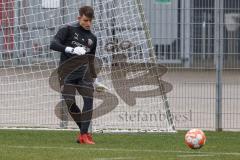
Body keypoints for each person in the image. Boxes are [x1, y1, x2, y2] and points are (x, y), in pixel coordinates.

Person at [50, 6, 107, 145]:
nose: (88, 24)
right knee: (70, 103)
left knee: (89, 100)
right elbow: (53, 44)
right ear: (79, 18)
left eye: (90, 21)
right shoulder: (68, 29)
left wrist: (96, 80)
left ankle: (84, 135)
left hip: (84, 74)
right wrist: (71, 49)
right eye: (85, 20)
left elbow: (91, 59)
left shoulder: (92, 38)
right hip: (66, 74)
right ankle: (84, 132)